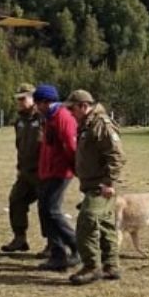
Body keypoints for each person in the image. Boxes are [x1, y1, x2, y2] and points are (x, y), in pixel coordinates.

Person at [66, 90, 126, 285]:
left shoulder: (101, 125)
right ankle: (111, 266)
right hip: (92, 184)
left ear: (84, 106)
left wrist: (108, 182)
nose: (70, 113)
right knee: (106, 224)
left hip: (101, 186)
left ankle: (91, 267)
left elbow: (117, 156)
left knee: (87, 221)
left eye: (72, 108)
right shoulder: (87, 124)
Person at [33, 84, 79, 271]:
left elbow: (71, 146)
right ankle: (57, 254)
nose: (36, 107)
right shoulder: (49, 118)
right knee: (45, 210)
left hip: (60, 172)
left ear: (46, 102)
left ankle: (76, 245)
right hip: (48, 171)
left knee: (52, 211)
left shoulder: (62, 117)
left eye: (38, 103)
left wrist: (75, 169)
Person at [1, 84, 43, 253]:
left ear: (33, 99)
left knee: (46, 208)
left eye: (23, 98)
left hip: (42, 172)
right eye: (17, 99)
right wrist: (20, 168)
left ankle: (53, 244)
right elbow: (20, 146)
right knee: (16, 200)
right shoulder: (19, 121)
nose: (19, 102)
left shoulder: (43, 118)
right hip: (25, 171)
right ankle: (20, 238)